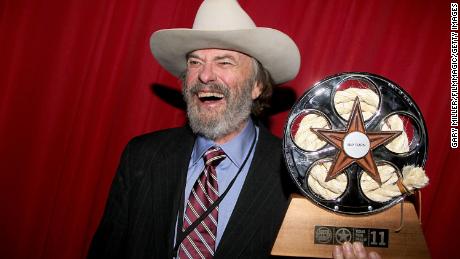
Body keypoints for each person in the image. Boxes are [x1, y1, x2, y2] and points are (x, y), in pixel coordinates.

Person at [88, 0, 380, 258]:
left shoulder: (301, 175)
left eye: (224, 62)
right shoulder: (141, 156)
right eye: (195, 62)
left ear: (256, 85)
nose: (204, 75)